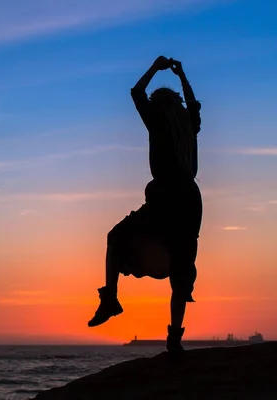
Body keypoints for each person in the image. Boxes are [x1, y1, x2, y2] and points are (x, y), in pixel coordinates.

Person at [87, 56, 203, 355]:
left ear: (159, 105)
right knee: (180, 266)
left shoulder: (159, 121)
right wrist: (181, 75)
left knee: (116, 237)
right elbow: (193, 104)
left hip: (166, 195)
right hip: (190, 200)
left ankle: (110, 299)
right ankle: (174, 339)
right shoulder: (189, 123)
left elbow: (137, 93)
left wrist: (155, 67)